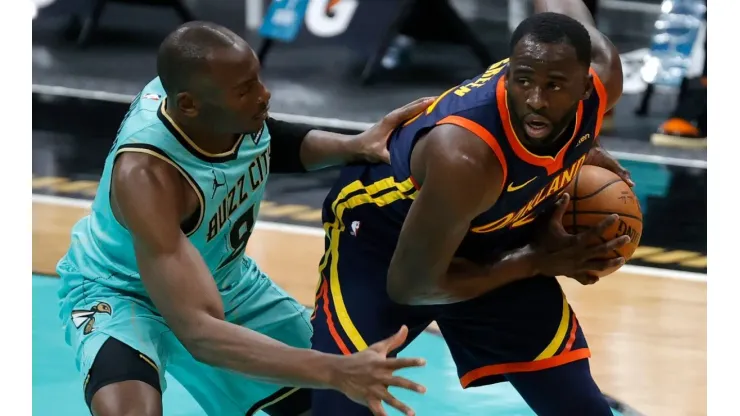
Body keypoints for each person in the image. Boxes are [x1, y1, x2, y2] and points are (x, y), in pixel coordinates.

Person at [56, 21, 433, 416]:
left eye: (257, 80)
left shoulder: (211, 105)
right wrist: (336, 369)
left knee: (333, 408)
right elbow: (200, 333)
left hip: (222, 281)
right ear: (187, 105)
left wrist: (353, 145)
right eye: (245, 90)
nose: (264, 95)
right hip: (118, 293)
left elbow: (267, 139)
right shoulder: (147, 177)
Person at [310, 2, 635, 415]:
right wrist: (535, 260)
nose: (535, 99)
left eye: (555, 86)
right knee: (334, 406)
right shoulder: (465, 155)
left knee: (579, 407)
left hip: (491, 235)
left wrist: (581, 147)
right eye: (523, 81)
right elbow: (411, 285)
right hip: (385, 246)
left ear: (587, 88)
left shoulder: (604, 72)